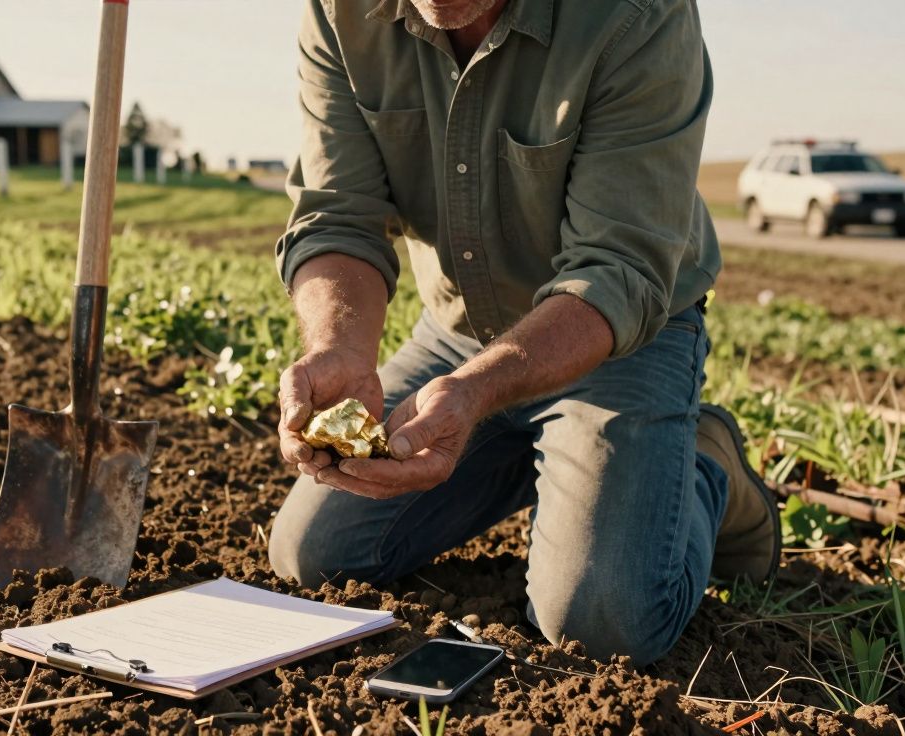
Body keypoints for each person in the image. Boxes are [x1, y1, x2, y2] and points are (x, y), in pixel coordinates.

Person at [267, 0, 780, 667]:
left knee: (600, 622)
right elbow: (337, 217)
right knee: (315, 556)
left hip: (618, 338)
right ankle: (539, 451)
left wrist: (478, 394)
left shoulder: (638, 15)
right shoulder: (342, 11)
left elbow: (618, 271)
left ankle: (708, 468)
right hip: (456, 335)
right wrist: (338, 347)